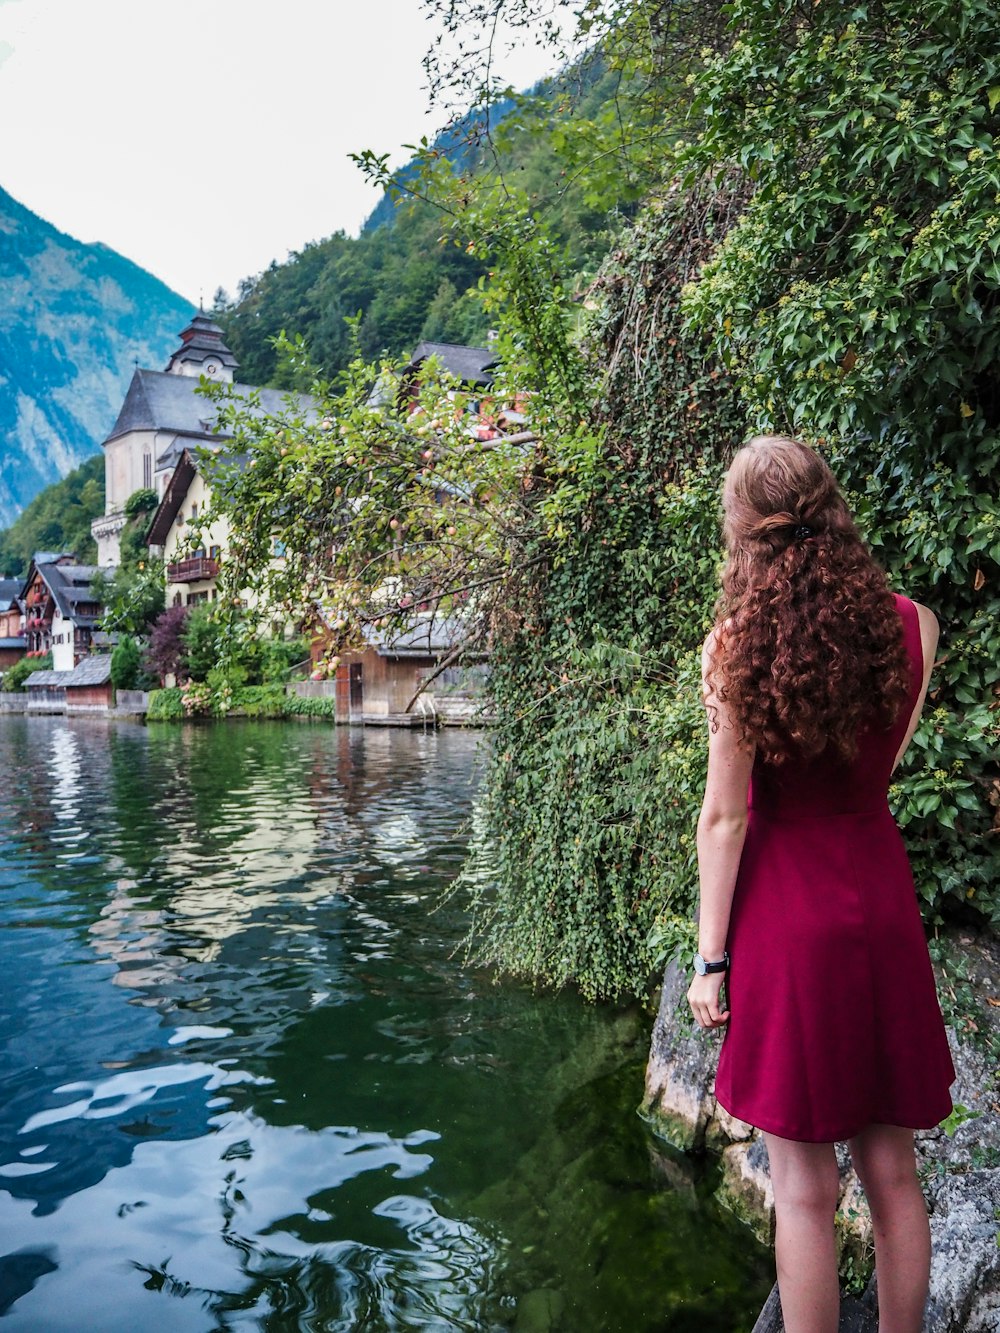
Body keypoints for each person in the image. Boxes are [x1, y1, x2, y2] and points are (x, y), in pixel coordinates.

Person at [686, 435, 955, 1333]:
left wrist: (710, 959)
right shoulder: (913, 624)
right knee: (893, 1173)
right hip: (878, 897)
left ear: (743, 529)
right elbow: (884, 766)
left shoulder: (733, 647)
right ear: (832, 506)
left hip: (787, 919)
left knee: (802, 1189)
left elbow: (724, 818)